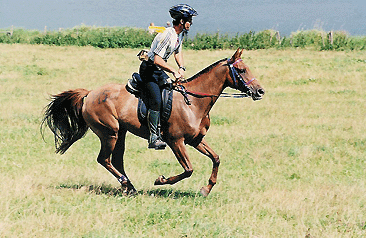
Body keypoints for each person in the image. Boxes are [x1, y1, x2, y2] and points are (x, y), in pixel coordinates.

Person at [139, 4, 198, 150]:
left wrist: (181, 68)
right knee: (157, 100)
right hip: (149, 70)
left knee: (173, 93)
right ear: (182, 21)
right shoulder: (167, 35)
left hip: (158, 70)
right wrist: (173, 71)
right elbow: (157, 60)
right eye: (189, 20)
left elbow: (178, 53)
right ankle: (153, 137)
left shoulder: (179, 35)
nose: (191, 23)